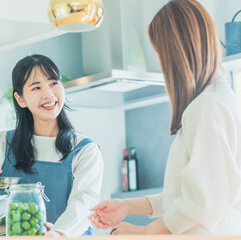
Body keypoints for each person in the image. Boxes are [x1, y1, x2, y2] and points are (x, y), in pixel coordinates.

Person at [89, 0, 241, 235]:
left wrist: (142, 233)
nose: (159, 61)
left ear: (178, 50)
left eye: (160, 51)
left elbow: (200, 204)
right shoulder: (219, 99)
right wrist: (127, 206)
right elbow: (188, 193)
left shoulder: (205, 108)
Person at [0, 54, 104, 237]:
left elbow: (83, 205)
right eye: (36, 87)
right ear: (20, 99)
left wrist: (57, 234)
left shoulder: (84, 149)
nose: (49, 94)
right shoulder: (2, 143)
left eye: (53, 83)